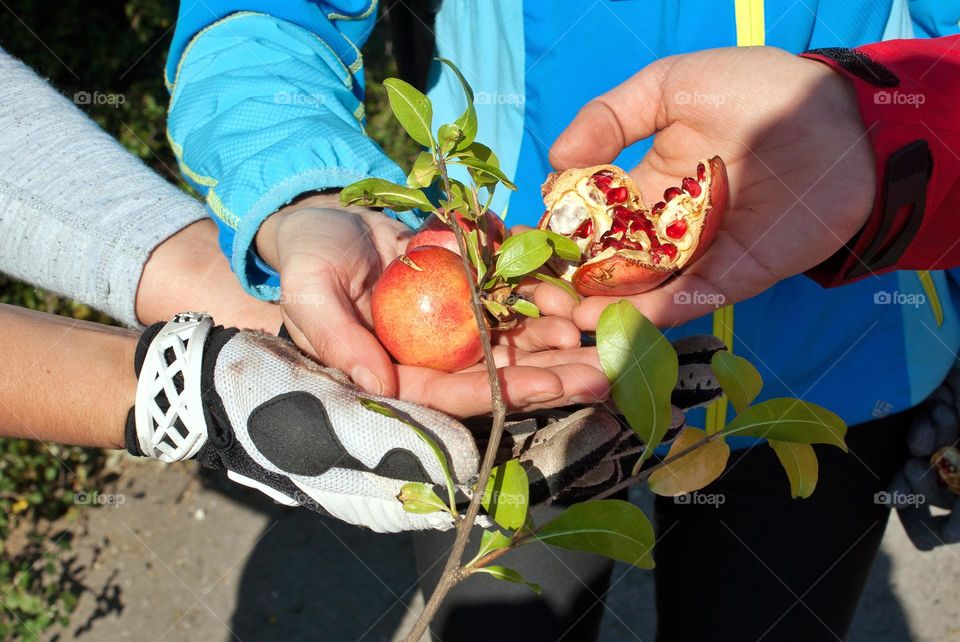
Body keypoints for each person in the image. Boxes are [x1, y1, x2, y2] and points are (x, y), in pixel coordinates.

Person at [161, 1, 960, 640]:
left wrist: (888, 141)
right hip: (503, 360)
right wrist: (307, 191)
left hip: (842, 361)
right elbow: (265, 14)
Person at [0, 46, 619, 531]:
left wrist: (298, 214)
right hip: (538, 294)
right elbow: (264, 21)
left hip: (637, 357)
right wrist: (193, 387)